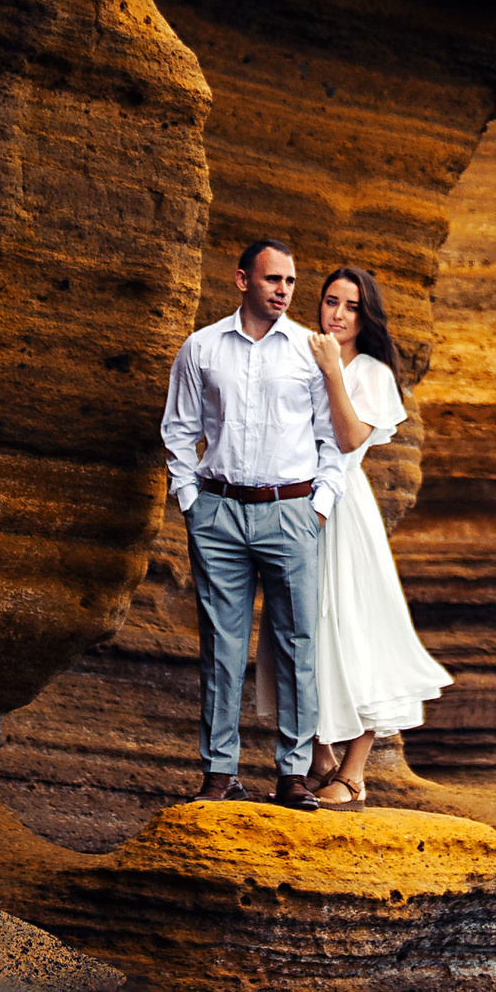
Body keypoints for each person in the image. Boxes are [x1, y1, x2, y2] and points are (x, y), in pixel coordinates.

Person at [159, 237, 345, 812]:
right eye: (273, 280)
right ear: (243, 280)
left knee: (297, 643)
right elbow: (178, 428)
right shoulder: (202, 348)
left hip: (291, 512)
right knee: (222, 645)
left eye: (290, 282)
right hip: (218, 512)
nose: (284, 291)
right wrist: (192, 501)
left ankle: (292, 773)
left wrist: (318, 506)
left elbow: (331, 439)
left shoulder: (310, 352)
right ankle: (219, 772)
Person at [276, 264, 453, 806]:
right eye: (332, 301)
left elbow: (350, 438)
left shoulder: (371, 371)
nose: (339, 314)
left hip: (346, 512)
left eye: (352, 306)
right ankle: (320, 758)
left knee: (356, 630)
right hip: (293, 502)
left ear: (365, 315)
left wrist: (332, 370)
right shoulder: (296, 352)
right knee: (302, 629)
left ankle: (354, 772)